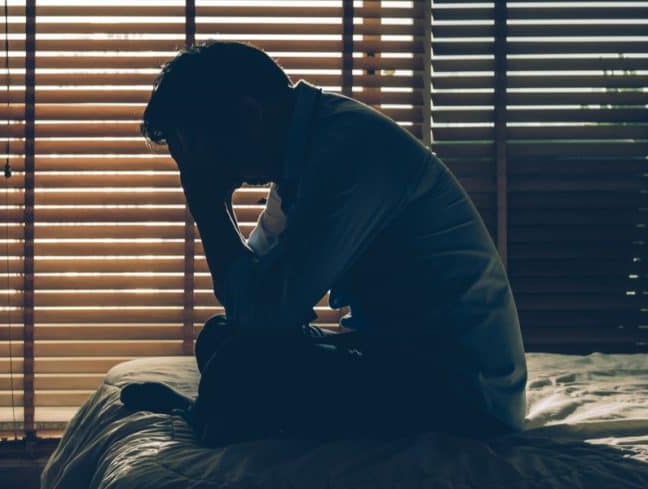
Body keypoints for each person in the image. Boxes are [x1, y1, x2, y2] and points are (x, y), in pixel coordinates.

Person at [119, 41, 527, 447]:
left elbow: (268, 314)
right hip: (395, 354)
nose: (197, 168)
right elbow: (248, 296)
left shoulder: (349, 153)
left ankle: (204, 414)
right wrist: (209, 198)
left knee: (239, 364)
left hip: (462, 395)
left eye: (200, 150)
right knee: (219, 337)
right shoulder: (302, 153)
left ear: (247, 115)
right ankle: (209, 413)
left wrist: (206, 205)